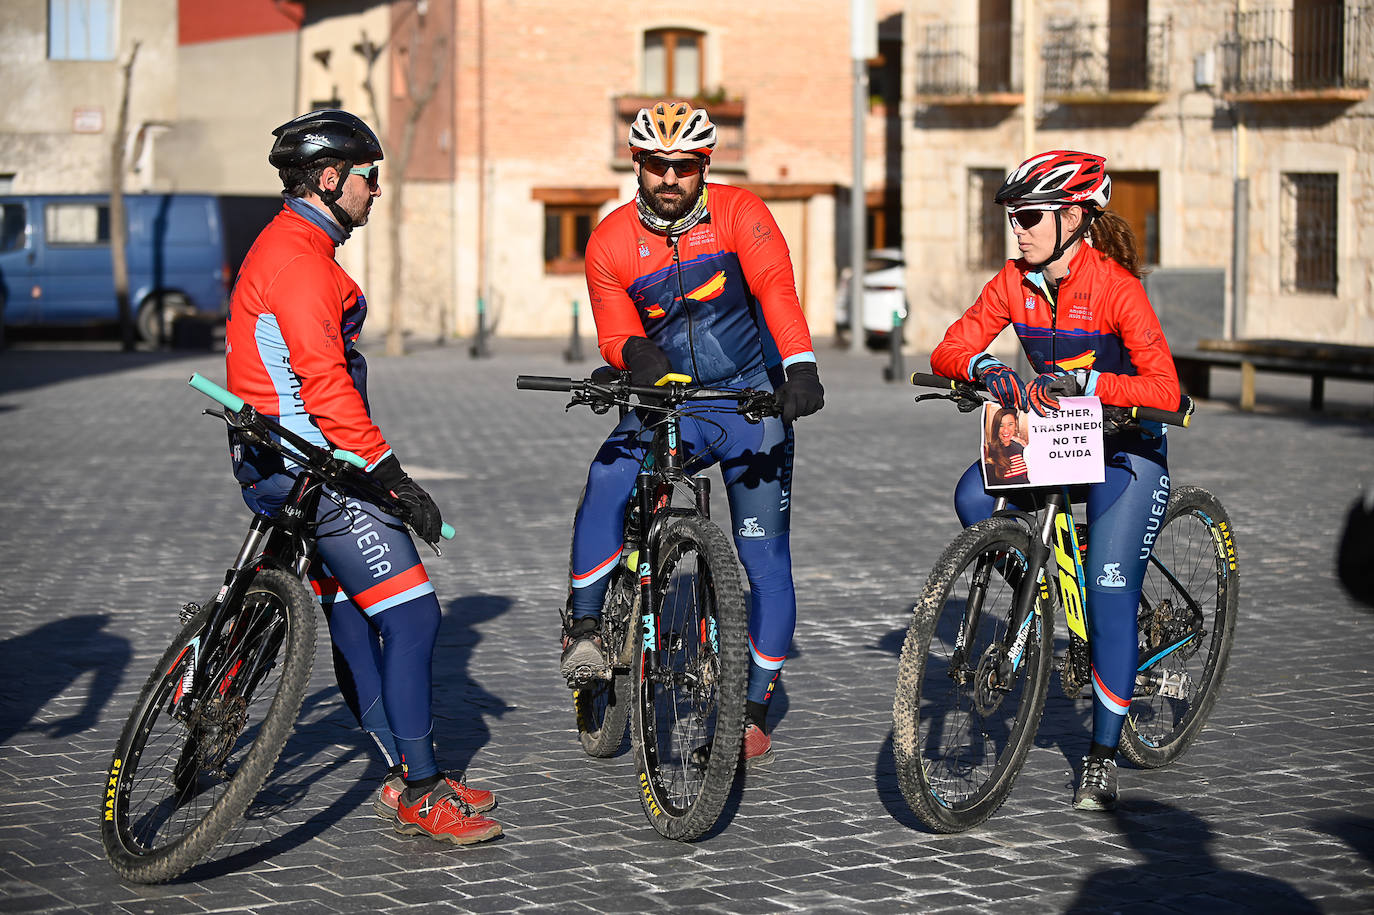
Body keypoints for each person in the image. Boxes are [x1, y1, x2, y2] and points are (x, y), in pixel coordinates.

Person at [224, 109, 500, 845]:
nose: (377, 190)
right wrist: (394, 479)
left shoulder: (289, 242)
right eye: (368, 177)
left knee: (354, 614)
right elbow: (324, 386)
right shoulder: (306, 263)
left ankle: (414, 767)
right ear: (328, 178)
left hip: (278, 459)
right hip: (316, 468)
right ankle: (418, 789)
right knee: (412, 616)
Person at [561, 100, 825, 766]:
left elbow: (776, 290)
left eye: (682, 165)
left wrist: (800, 367)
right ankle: (586, 626)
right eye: (656, 164)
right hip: (669, 400)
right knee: (608, 476)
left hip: (748, 404)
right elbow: (618, 329)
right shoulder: (611, 239)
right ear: (637, 164)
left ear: (704, 164)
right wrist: (639, 360)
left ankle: (755, 708)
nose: (669, 176)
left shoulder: (742, 214)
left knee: (764, 561)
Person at [930, 150, 1181, 811]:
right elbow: (949, 345)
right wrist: (986, 367)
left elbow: (1164, 386)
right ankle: (1046, 595)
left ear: (1073, 217)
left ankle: (1101, 751)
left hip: (1126, 446)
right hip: (1058, 441)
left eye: (1030, 216)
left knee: (1108, 588)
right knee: (971, 496)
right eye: (1013, 215)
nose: (1018, 227)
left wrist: (1092, 382)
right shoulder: (1014, 281)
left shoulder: (1116, 287)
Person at [984, 407, 1029, 485]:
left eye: (1010, 424)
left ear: (1015, 425)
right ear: (996, 427)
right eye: (1001, 425)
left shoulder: (1020, 447)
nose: (1006, 430)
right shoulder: (989, 451)